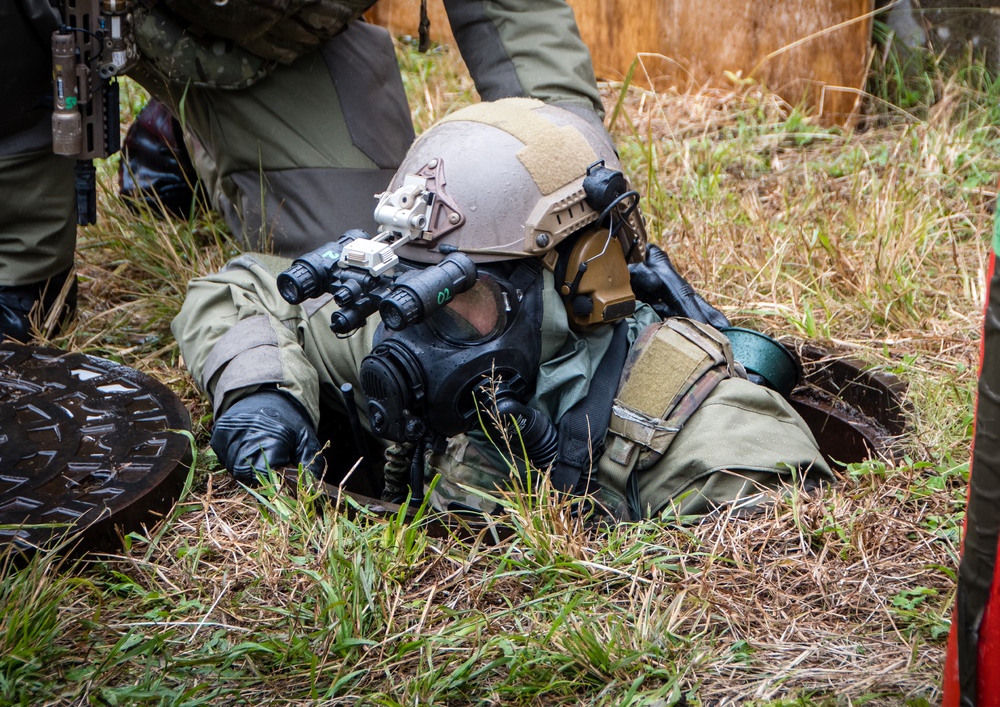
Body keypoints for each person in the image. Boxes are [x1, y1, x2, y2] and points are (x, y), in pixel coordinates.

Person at [172, 98, 833, 520]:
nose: (422, 326)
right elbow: (240, 289)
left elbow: (771, 593)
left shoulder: (709, 442)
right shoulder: (407, 320)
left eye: (461, 292)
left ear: (578, 277)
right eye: (412, 283)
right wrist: (260, 394)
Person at [0, 0, 606, 341]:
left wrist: (586, 205)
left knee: (362, 288)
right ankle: (22, 271)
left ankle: (190, 122)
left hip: (257, 25)